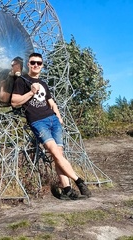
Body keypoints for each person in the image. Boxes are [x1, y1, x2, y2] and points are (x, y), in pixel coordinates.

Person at [11, 52, 91, 200]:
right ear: (28, 64)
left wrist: (58, 117)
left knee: (58, 156)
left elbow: (51, 102)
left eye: (39, 63)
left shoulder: (44, 84)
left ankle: (67, 190)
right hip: (38, 122)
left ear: (41, 65)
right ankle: (79, 181)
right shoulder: (21, 81)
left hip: (53, 121)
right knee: (55, 152)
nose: (36, 65)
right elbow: (14, 102)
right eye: (33, 62)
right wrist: (31, 93)